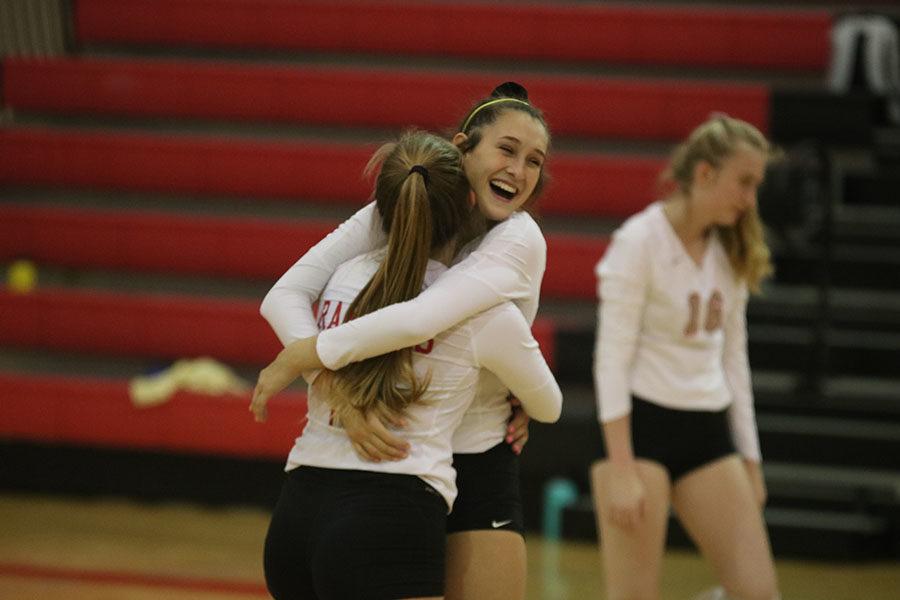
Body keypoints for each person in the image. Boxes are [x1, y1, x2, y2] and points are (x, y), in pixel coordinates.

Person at [257, 82, 552, 600]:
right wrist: (336, 391)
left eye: (535, 161)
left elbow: (423, 318)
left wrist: (311, 353)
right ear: (463, 148)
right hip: (391, 454)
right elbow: (284, 294)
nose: (519, 171)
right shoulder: (400, 203)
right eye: (506, 150)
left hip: (475, 455)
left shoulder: (520, 239)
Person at [589, 115, 780, 600]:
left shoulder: (730, 248)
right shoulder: (639, 241)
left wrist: (751, 462)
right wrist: (622, 468)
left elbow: (735, 362)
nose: (751, 199)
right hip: (642, 430)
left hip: (709, 433)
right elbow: (610, 359)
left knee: (759, 594)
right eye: (745, 183)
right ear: (704, 175)